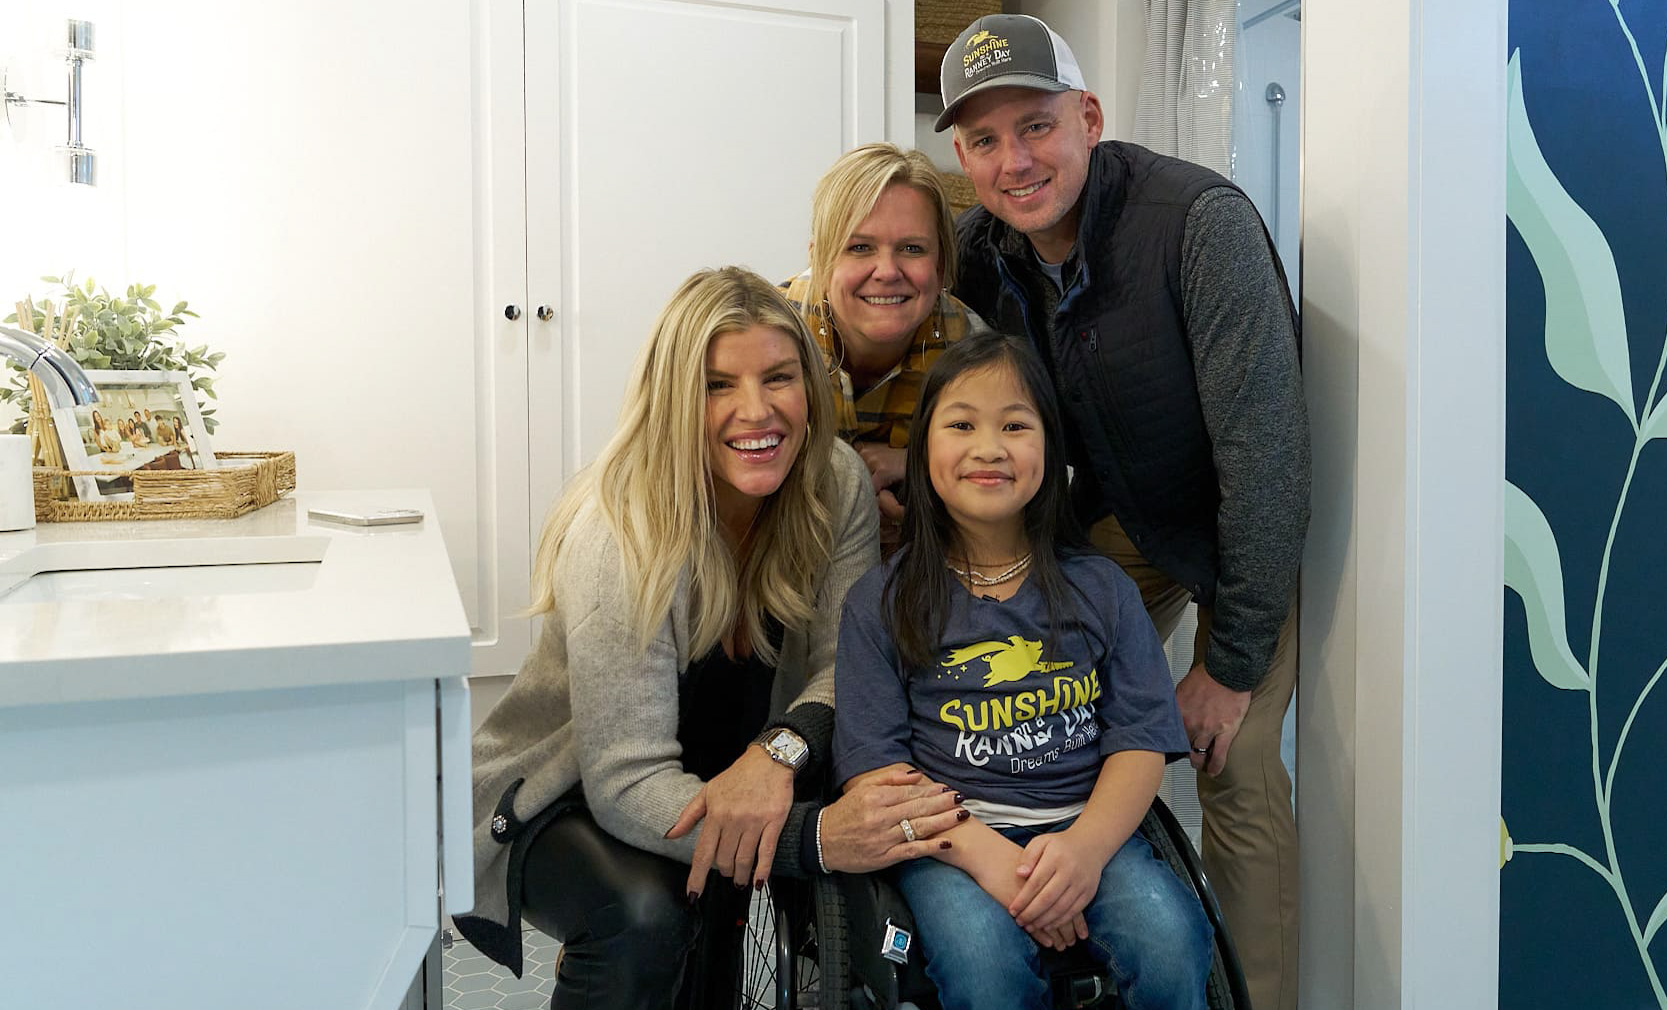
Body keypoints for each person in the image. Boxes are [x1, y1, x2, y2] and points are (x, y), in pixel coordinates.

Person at [456, 267, 967, 1008]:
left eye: (778, 378)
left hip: (731, 762)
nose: (754, 412)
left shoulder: (832, 483)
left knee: (723, 902)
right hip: (564, 792)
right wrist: (817, 839)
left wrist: (780, 749)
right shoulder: (619, 536)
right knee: (646, 912)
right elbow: (625, 784)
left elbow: (846, 663)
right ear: (670, 400)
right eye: (716, 385)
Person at [935, 15, 1310, 1010]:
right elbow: (873, 282)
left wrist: (1224, 668)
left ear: (1087, 117)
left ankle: (1257, 993)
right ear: (963, 157)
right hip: (1117, 522)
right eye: (983, 140)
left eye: (1035, 126)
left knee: (1230, 766)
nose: (1013, 160)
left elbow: (1263, 459)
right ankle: (1074, 923)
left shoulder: (1196, 222)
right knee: (1044, 719)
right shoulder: (987, 249)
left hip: (1234, 528)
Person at [833, 332, 1212, 1010]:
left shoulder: (1101, 589)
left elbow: (1140, 742)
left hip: (1086, 824)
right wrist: (990, 859)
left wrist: (1084, 853)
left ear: (1049, 452)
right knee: (982, 967)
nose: (988, 447)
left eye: (1014, 424)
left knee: (1170, 939)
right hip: (950, 841)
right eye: (960, 424)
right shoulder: (880, 602)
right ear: (921, 452)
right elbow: (874, 772)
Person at [783, 142, 992, 549]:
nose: (887, 271)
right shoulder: (770, 334)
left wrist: (919, 467)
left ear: (942, 266)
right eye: (859, 247)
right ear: (820, 261)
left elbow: (1009, 460)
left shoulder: (973, 348)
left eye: (912, 249)